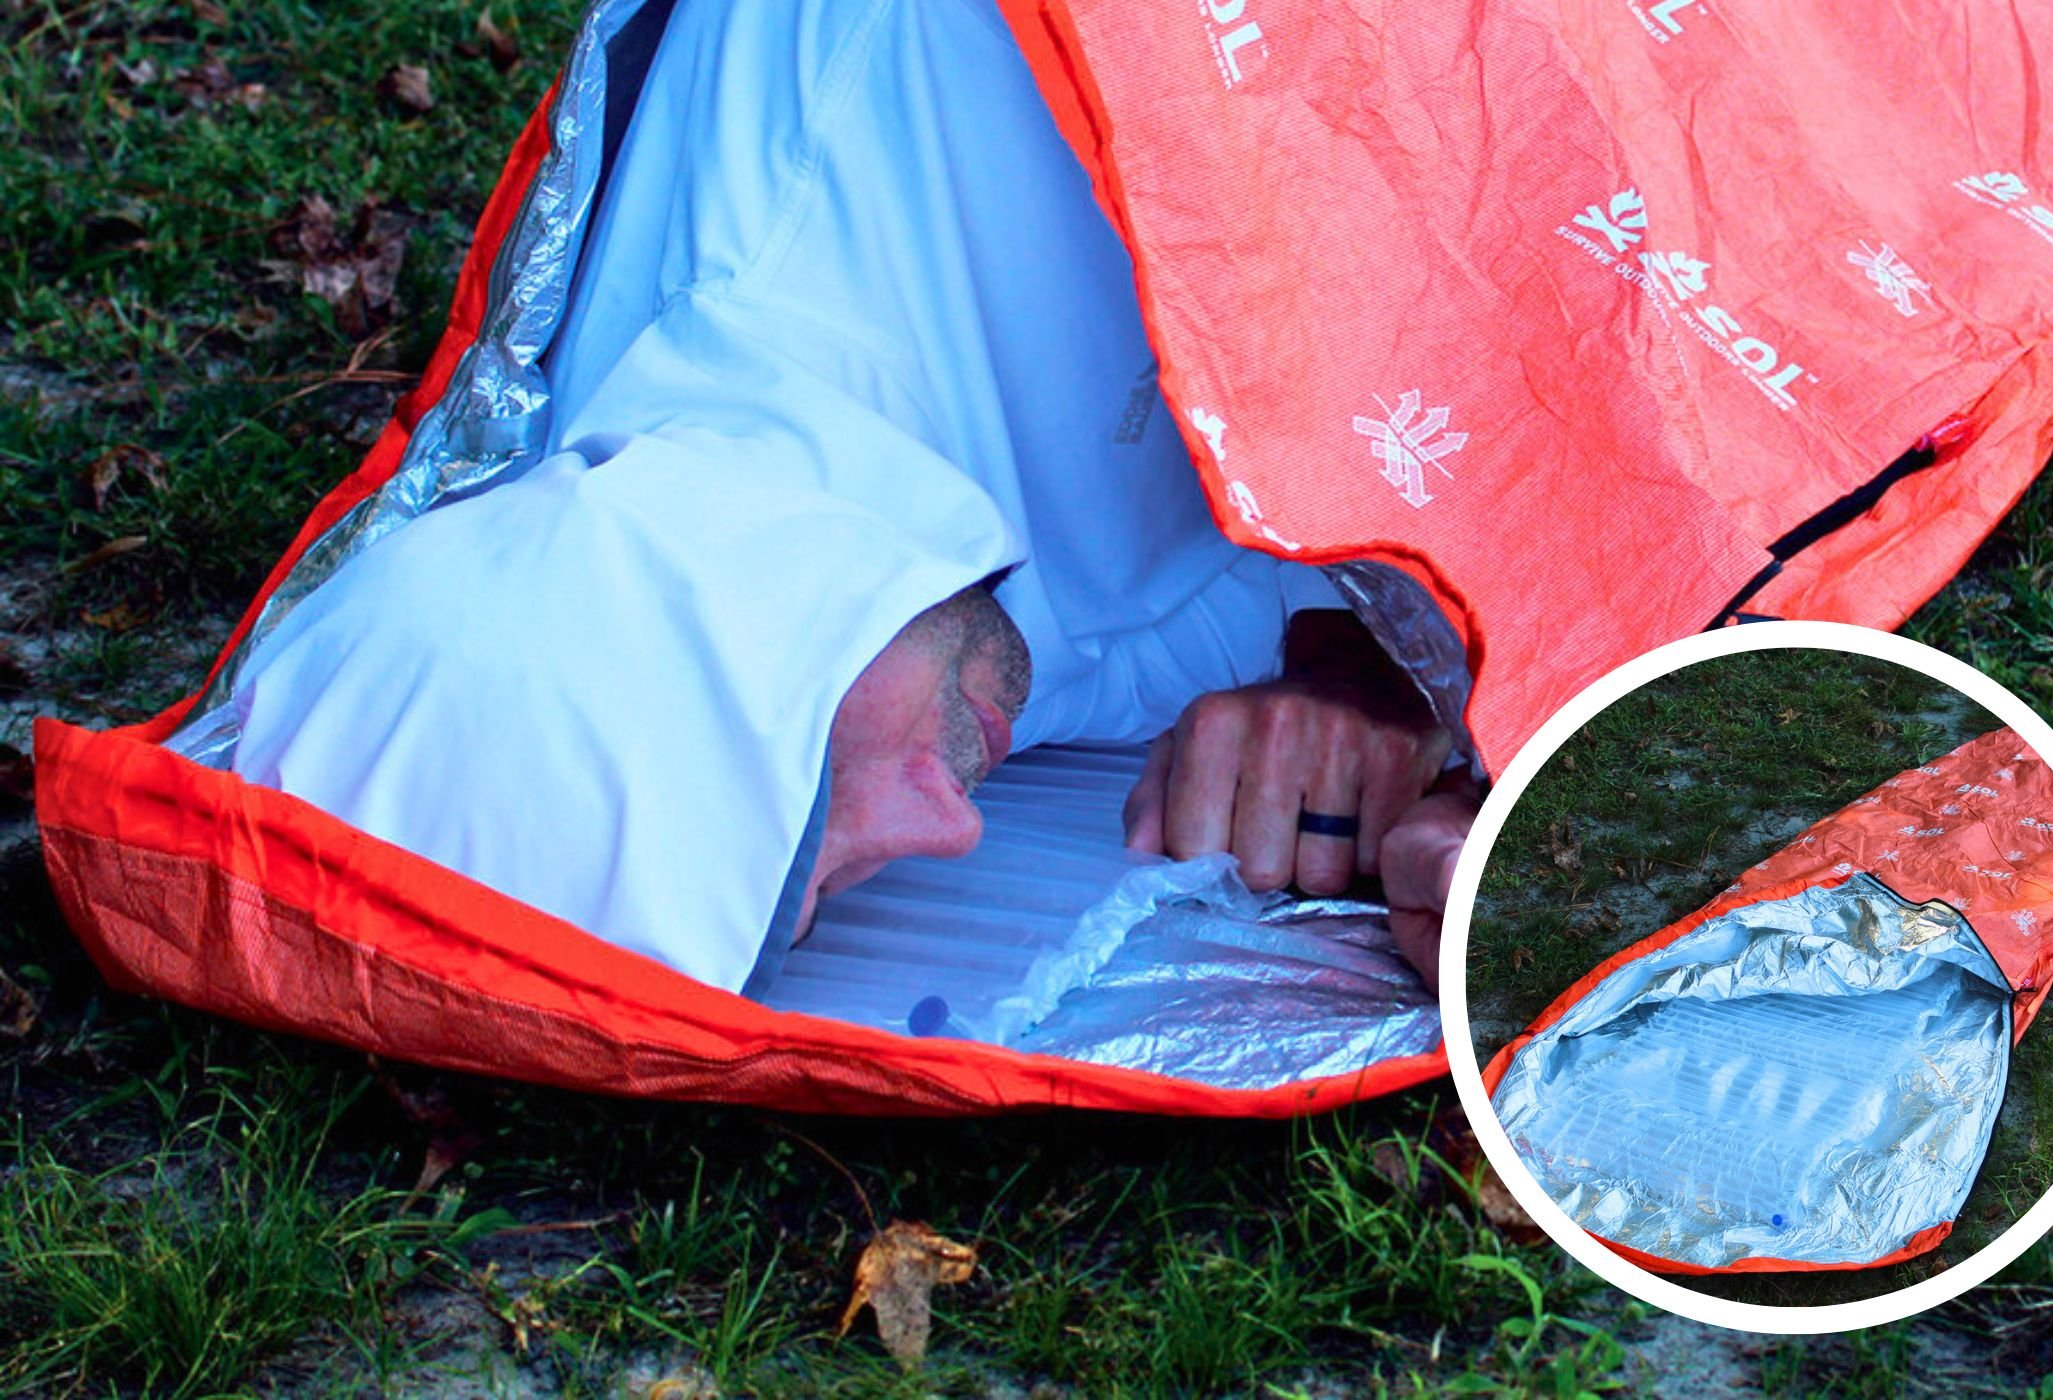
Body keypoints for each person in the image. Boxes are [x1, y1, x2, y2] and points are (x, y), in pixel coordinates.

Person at [222, 0, 1476, 1000]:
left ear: (746, 597)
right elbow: (1174, 604)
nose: (948, 832)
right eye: (818, 895)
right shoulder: (893, 602)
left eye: (814, 793)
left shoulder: (939, 100)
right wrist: (1390, 683)